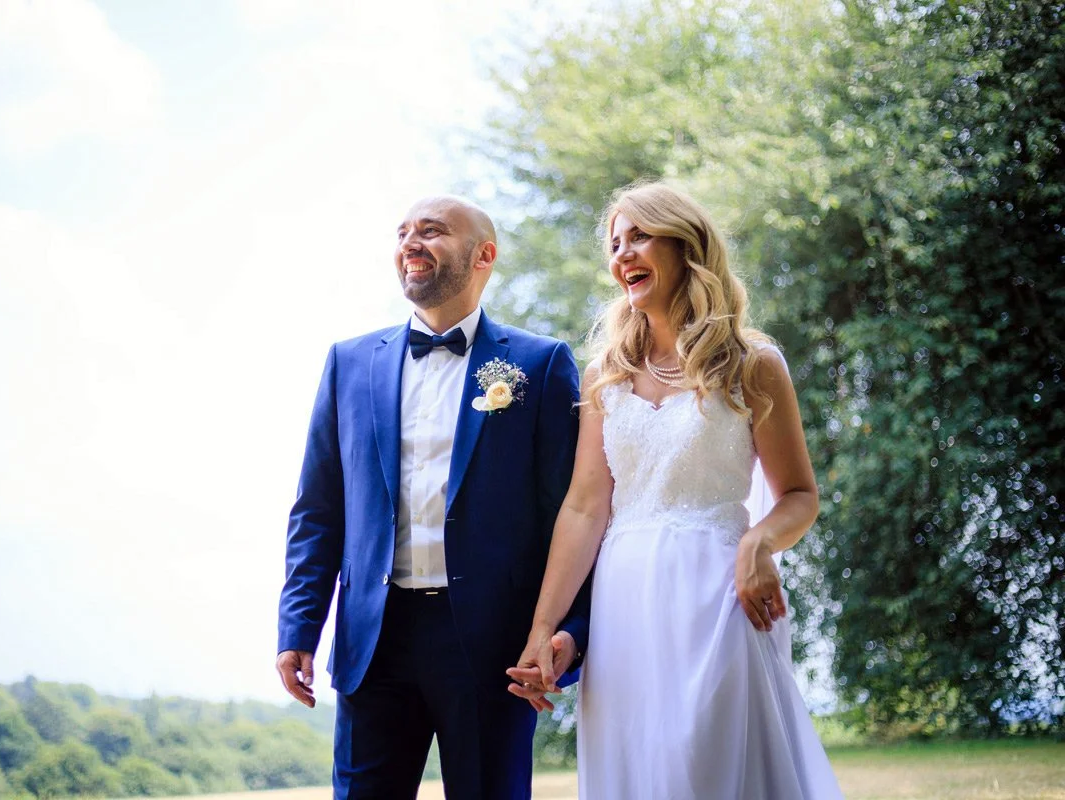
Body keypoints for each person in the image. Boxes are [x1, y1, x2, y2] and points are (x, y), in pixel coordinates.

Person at [507, 181, 844, 798]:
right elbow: (585, 507)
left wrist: (758, 546)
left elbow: (798, 494)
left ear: (685, 244)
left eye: (640, 236)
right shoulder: (606, 373)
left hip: (719, 594)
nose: (623, 254)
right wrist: (542, 627)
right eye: (615, 244)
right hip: (624, 602)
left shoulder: (752, 361)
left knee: (708, 764)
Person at [276, 195, 590, 799]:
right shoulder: (348, 364)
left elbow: (572, 514)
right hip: (374, 640)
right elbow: (318, 511)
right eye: (402, 234)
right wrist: (298, 627)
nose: (410, 244)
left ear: (483, 256)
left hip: (494, 646)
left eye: (432, 231)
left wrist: (569, 632)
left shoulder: (539, 363)